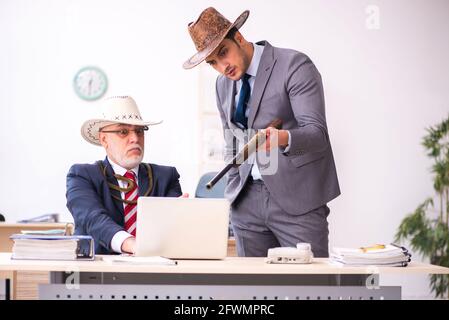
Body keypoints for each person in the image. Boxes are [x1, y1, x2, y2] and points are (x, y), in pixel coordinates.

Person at [183, 8, 340, 257]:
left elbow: (317, 134)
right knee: (252, 289)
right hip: (246, 202)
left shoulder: (294, 65)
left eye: (223, 53)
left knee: (311, 289)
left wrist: (283, 139)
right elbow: (231, 142)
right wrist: (233, 197)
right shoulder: (222, 84)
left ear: (240, 38)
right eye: (212, 62)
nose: (222, 66)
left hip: (297, 200)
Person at [66, 95, 185, 254]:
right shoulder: (82, 176)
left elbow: (172, 232)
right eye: (123, 131)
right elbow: (93, 219)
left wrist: (182, 215)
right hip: (98, 272)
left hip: (153, 271)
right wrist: (131, 244)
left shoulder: (166, 177)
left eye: (139, 131)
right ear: (104, 139)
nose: (135, 138)